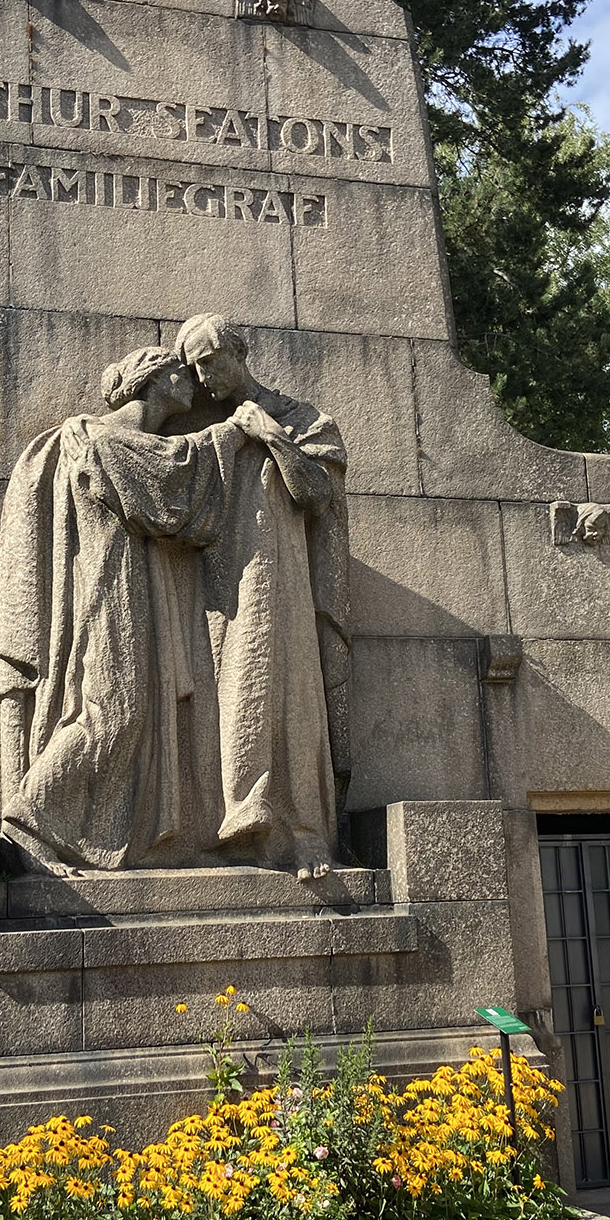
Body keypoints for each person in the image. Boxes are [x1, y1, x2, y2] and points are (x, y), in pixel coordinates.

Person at [0, 347, 249, 874]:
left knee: (124, 715)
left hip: (132, 588)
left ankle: (71, 831)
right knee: (113, 713)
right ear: (152, 380)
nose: (193, 384)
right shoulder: (100, 436)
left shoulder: (117, 439)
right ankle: (27, 823)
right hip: (106, 591)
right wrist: (230, 435)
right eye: (182, 373)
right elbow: (169, 490)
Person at [174, 314, 351, 879]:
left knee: (288, 698)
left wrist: (270, 433)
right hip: (215, 586)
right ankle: (239, 821)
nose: (203, 380)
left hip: (281, 580)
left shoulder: (302, 419)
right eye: (194, 370)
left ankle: (301, 831)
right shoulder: (210, 433)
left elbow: (316, 495)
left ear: (236, 352)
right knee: (229, 697)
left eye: (208, 364)